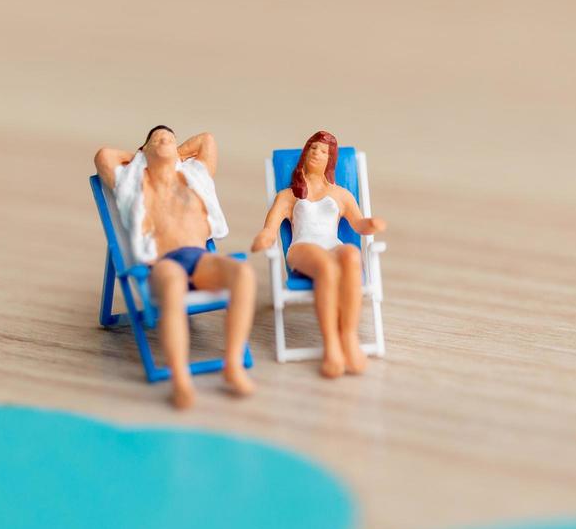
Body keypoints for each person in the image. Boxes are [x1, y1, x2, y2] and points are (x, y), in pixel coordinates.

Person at [95, 126, 256, 409]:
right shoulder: (131, 183)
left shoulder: (196, 176)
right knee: (173, 285)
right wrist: (143, 157)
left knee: (243, 273)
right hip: (164, 262)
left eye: (170, 138)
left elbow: (208, 139)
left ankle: (233, 365)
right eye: (157, 139)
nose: (165, 140)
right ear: (144, 150)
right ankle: (181, 379)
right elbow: (104, 156)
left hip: (199, 258)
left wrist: (170, 154)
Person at [251, 130, 386, 378]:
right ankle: (332, 344)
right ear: (305, 154)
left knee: (352, 256)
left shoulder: (341, 195)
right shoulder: (289, 195)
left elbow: (359, 224)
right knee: (327, 266)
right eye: (313, 148)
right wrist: (264, 238)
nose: (316, 153)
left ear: (329, 160)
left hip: (332, 244)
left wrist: (373, 224)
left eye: (323, 151)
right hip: (303, 248)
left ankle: (348, 336)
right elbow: (270, 228)